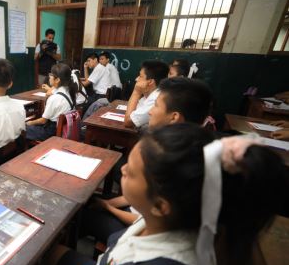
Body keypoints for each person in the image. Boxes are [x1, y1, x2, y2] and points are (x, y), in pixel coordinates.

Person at [31, 124, 286, 265]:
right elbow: (115, 259)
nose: (122, 171)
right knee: (41, 254)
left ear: (161, 205)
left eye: (130, 172)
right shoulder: (161, 223)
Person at [86, 77, 214, 244]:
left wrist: (108, 208)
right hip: (136, 211)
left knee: (82, 214)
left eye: (156, 106)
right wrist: (107, 202)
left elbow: (145, 222)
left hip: (140, 231)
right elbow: (142, 192)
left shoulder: (178, 161)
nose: (150, 111)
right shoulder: (180, 145)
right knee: (89, 203)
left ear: (174, 117)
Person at [26, 63, 77, 141]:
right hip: (62, 129)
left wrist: (29, 123)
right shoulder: (69, 91)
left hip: (51, 133)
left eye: (51, 74)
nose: (49, 76)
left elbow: (43, 121)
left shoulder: (54, 98)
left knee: (22, 129)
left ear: (57, 80)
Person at [124, 60, 169, 129]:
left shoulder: (156, 98)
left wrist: (136, 92)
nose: (136, 79)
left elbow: (128, 122)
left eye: (140, 76)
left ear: (150, 82)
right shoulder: (150, 93)